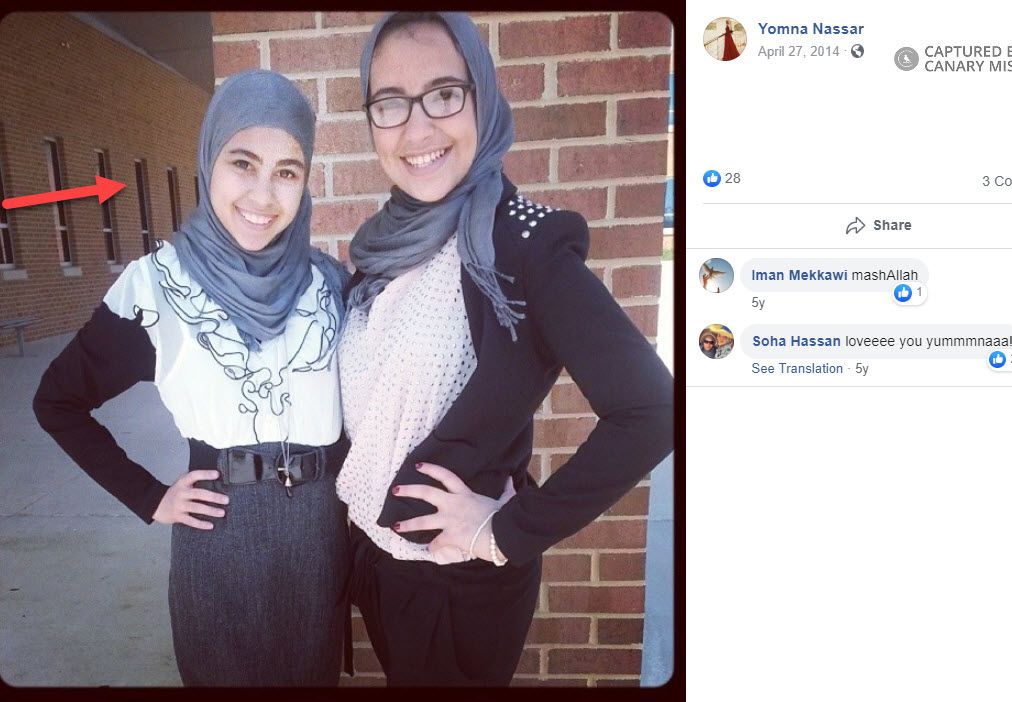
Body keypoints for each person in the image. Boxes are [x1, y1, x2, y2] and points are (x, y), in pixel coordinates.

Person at [335, 12, 674, 687]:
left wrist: (507, 530)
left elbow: (653, 410)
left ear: (482, 98)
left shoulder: (522, 246)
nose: (417, 128)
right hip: (376, 561)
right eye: (390, 103)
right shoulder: (381, 246)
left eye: (444, 94)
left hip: (455, 582)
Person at [32, 70, 351, 686]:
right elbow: (58, 401)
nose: (263, 194)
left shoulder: (328, 284)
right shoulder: (157, 287)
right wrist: (148, 497)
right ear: (209, 161)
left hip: (316, 541)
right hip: (219, 538)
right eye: (243, 162)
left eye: (287, 171)